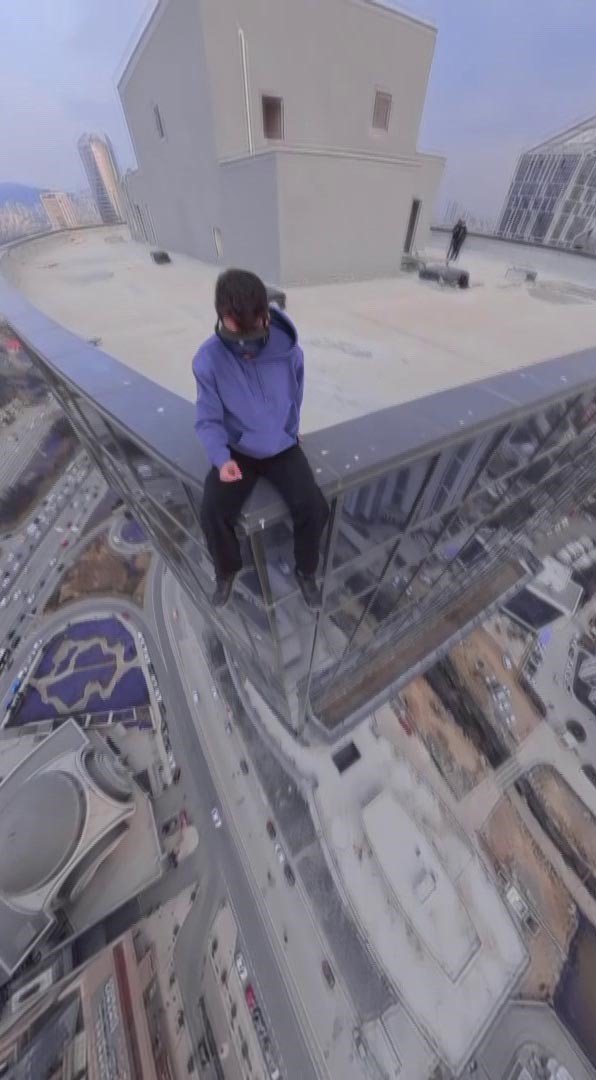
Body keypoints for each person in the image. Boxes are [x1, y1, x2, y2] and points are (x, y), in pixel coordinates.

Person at [193, 268, 329, 609]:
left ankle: (306, 571)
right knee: (212, 510)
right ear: (222, 317)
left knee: (313, 507)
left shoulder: (289, 352)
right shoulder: (208, 361)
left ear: (264, 315)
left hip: (281, 446)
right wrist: (221, 459)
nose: (246, 348)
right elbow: (208, 418)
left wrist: (290, 430)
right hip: (238, 450)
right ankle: (226, 571)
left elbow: (295, 395)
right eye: (236, 335)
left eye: (252, 332)